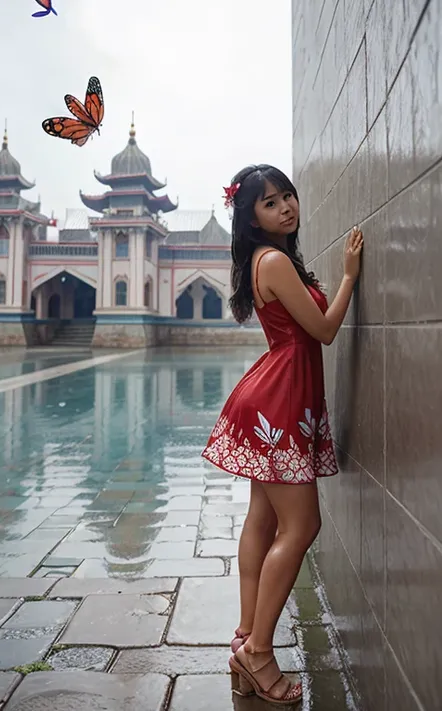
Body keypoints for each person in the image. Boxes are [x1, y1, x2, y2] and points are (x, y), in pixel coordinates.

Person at [201, 164, 363, 705]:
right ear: (251, 217)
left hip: (272, 393)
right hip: (279, 399)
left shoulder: (263, 260)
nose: (286, 207)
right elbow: (323, 331)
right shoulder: (272, 260)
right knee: (303, 525)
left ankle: (248, 635)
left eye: (287, 196)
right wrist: (347, 277)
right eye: (270, 203)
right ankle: (259, 653)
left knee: (264, 519)